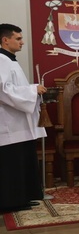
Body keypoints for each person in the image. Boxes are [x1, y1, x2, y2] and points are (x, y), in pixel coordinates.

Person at [0, 24, 47, 213]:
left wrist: (32, 88)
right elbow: (3, 90)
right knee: (11, 163)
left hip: (19, 122)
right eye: (18, 38)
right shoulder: (1, 60)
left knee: (22, 161)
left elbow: (15, 87)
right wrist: (32, 90)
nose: (22, 42)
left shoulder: (10, 61)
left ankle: (22, 198)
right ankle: (10, 201)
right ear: (5, 40)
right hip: (9, 124)